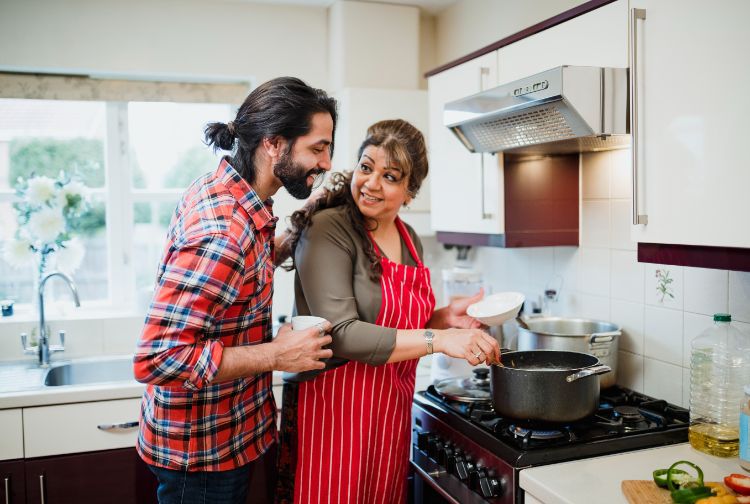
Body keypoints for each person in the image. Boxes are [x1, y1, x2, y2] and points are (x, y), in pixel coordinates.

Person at [132, 76, 338, 504]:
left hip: (224, 439)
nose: (327, 162)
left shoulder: (230, 194)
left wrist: (303, 221)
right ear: (274, 144)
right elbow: (159, 357)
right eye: (317, 148)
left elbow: (237, 277)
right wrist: (278, 355)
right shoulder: (224, 232)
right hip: (202, 458)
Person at [276, 119, 501, 504]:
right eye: (366, 168)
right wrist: (442, 340)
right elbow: (343, 333)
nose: (371, 183)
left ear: (410, 192)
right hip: (334, 415)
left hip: (390, 413)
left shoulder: (408, 237)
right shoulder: (328, 229)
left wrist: (444, 318)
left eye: (390, 176)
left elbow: (402, 325)